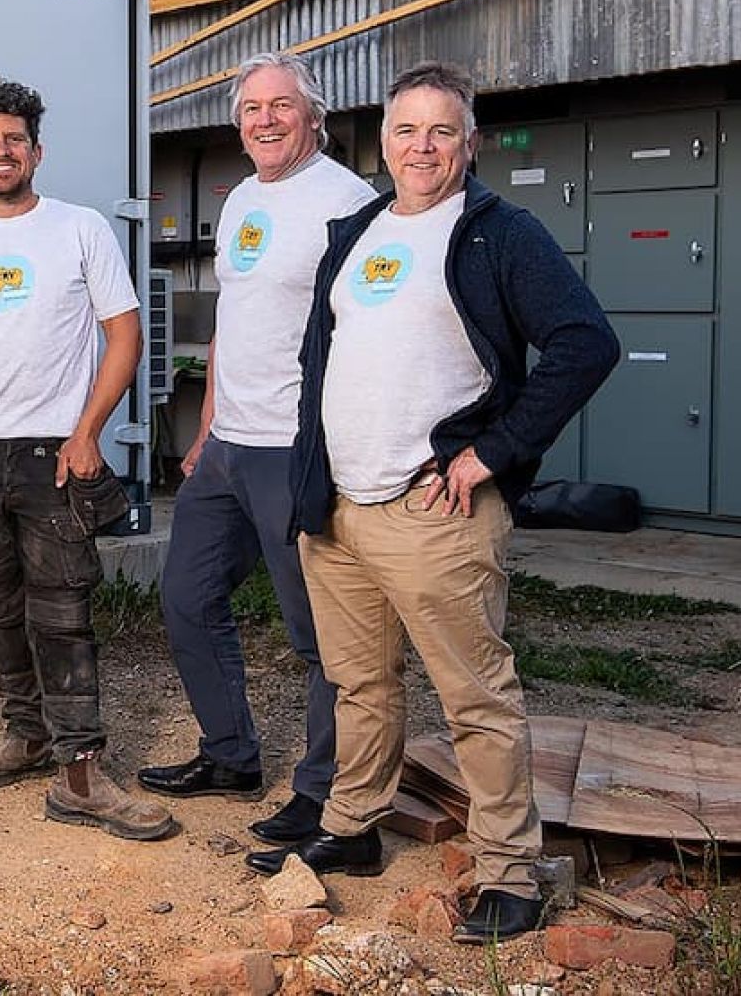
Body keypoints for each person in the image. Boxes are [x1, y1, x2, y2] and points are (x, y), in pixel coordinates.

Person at [256, 61, 618, 946]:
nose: (422, 147)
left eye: (441, 131)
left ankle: (508, 870)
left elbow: (585, 342)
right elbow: (322, 367)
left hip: (436, 514)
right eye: (406, 130)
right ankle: (353, 827)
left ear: (471, 143)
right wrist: (315, 478)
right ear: (382, 140)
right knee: (360, 685)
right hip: (340, 508)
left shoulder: (499, 234)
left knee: (475, 698)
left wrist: (492, 451)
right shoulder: (356, 231)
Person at [0, 76, 175, 841]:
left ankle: (80, 774)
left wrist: (89, 431)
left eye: (14, 139)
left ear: (36, 151)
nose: (2, 151)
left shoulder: (80, 229)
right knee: (0, 609)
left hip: (54, 455)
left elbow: (124, 334)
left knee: (63, 614)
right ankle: (25, 737)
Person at [139, 53, 377, 850]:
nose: (265, 121)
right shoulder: (243, 196)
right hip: (230, 443)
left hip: (296, 450)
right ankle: (232, 753)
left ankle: (323, 794)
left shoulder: (348, 203)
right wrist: (206, 422)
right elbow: (235, 323)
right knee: (187, 596)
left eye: (281, 106)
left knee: (318, 634)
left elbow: (366, 331)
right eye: (251, 110)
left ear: (313, 115)